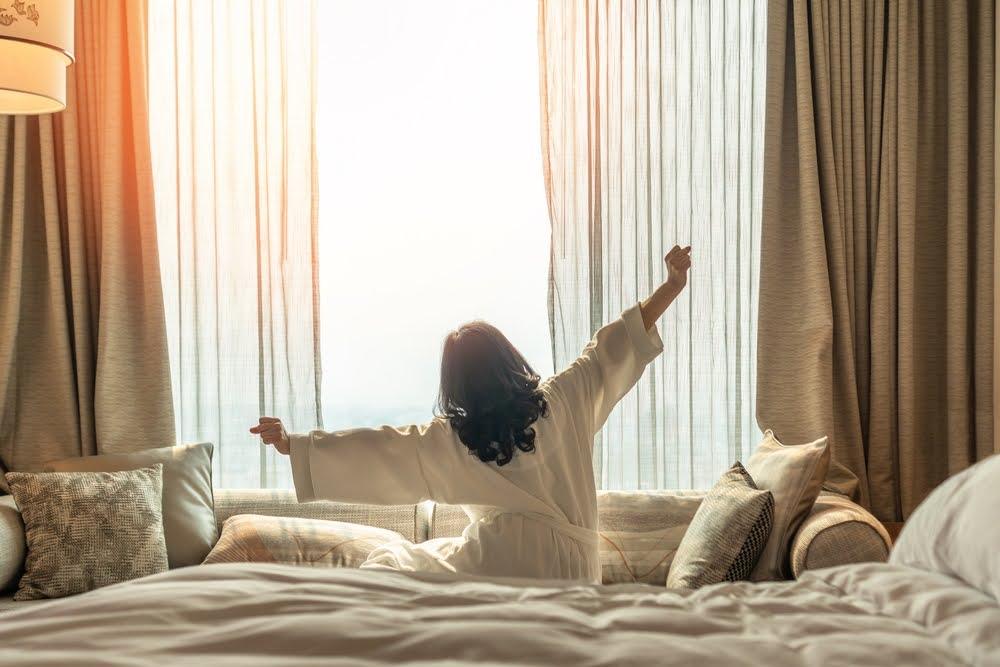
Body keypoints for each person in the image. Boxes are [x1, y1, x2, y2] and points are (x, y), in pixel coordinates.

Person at [251, 245, 692, 583]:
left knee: (390, 563)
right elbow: (611, 347)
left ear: (455, 384)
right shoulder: (564, 398)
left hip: (499, 565)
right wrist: (670, 287)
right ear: (508, 356)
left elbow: (382, 449)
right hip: (575, 572)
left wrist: (297, 445)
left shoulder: (454, 438)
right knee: (412, 560)